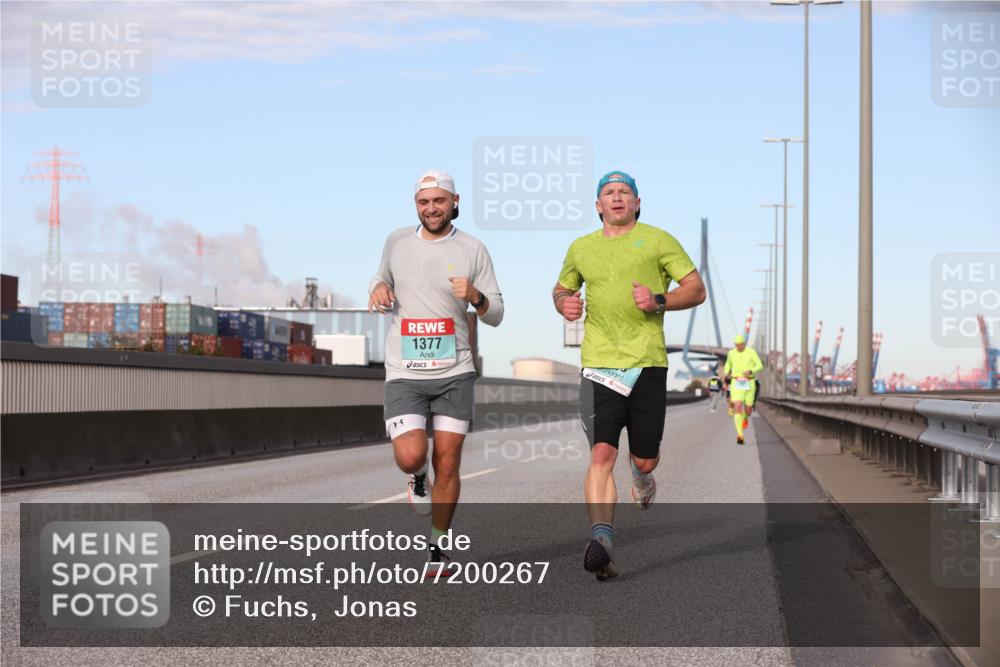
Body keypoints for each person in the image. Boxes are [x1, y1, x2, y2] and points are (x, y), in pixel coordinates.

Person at [553, 170, 706, 581]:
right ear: (598, 205)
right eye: (608, 193)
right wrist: (565, 303)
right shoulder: (580, 248)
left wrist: (659, 299)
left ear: (637, 203)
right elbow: (561, 289)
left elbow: (696, 288)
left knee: (644, 456)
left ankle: (642, 474)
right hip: (599, 363)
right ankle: (601, 544)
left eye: (625, 192)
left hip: (648, 363)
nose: (617, 198)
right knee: (601, 454)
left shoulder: (658, 240)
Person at [369, 170, 504, 576]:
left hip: (455, 371)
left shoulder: (473, 248)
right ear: (416, 205)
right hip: (405, 372)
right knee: (412, 455)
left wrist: (475, 297)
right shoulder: (396, 241)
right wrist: (377, 288)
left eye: (439, 201)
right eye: (424, 202)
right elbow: (381, 278)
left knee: (450, 463)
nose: (432, 209)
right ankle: (417, 477)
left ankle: (438, 548)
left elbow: (496, 313)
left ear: (455, 201)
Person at [723, 334, 763, 445]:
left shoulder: (751, 352)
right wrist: (726, 373)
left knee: (748, 410)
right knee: (738, 406)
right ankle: (740, 435)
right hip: (736, 382)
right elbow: (728, 364)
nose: (739, 347)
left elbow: (760, 365)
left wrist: (751, 370)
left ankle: (745, 418)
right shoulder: (731, 353)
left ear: (744, 344)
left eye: (741, 345)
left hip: (749, 382)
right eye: (737, 345)